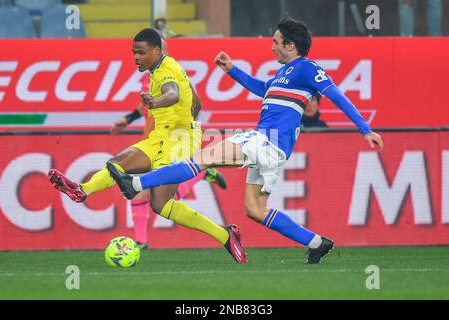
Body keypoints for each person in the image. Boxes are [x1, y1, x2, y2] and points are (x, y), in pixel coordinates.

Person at [107, 17, 384, 265]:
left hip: (266, 141)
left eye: (276, 42)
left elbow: (336, 95)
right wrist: (232, 70)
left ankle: (136, 183)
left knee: (205, 157)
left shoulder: (306, 68)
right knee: (255, 210)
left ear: (290, 45)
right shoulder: (284, 74)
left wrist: (365, 129)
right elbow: (262, 88)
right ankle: (316, 243)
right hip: (273, 149)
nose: (272, 47)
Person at [48, 28, 246, 263]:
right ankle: (83, 190)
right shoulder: (161, 68)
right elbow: (196, 102)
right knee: (116, 165)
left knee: (160, 204)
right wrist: (184, 116)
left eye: (141, 53)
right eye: (134, 53)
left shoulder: (167, 72)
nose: (136, 57)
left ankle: (224, 235)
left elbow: (171, 94)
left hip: (178, 141)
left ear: (156, 51)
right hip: (161, 136)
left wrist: (160, 105)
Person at [111, 40, 228, 249]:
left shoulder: (173, 73)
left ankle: (200, 173)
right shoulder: (151, 77)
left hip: (172, 140)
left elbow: (195, 102)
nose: (140, 56)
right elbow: (144, 106)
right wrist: (127, 119)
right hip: (152, 138)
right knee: (148, 191)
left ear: (160, 52)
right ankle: (142, 240)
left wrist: (185, 131)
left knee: (156, 193)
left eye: (146, 51)